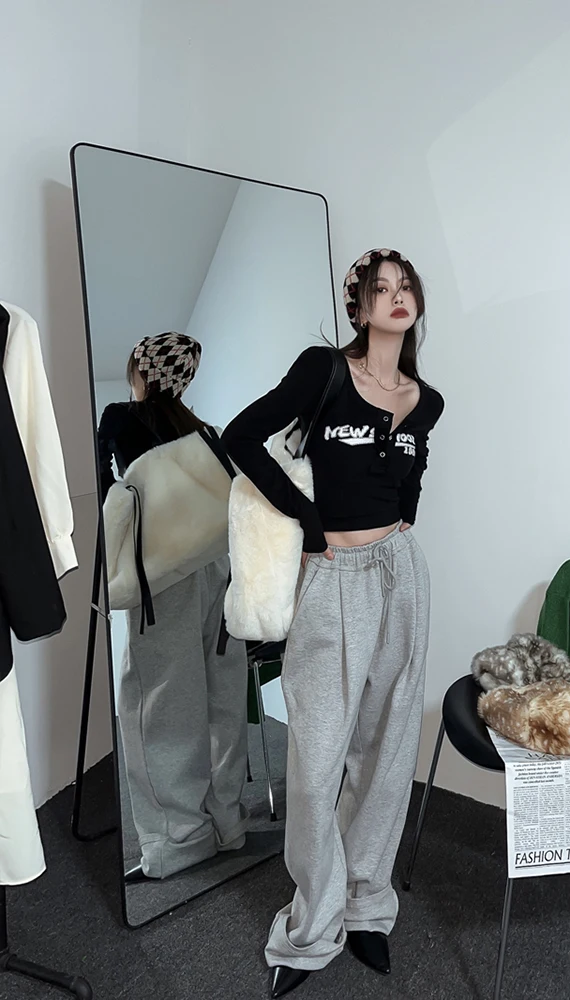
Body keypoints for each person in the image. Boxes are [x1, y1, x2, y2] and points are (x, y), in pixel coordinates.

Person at [222, 249, 444, 997]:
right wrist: (309, 520)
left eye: (406, 287)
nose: (396, 297)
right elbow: (240, 437)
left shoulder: (426, 400)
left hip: (401, 577)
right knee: (318, 761)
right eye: (381, 288)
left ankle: (365, 903)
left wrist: (404, 513)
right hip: (334, 578)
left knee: (387, 752)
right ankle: (311, 925)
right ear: (358, 306)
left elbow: (413, 472)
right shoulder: (323, 371)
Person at [97, 332, 248, 880]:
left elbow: (104, 492)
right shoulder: (205, 432)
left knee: (160, 702)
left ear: (142, 369)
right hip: (218, 568)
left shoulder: (121, 418)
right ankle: (227, 822)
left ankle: (178, 839)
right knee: (221, 694)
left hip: (163, 579)